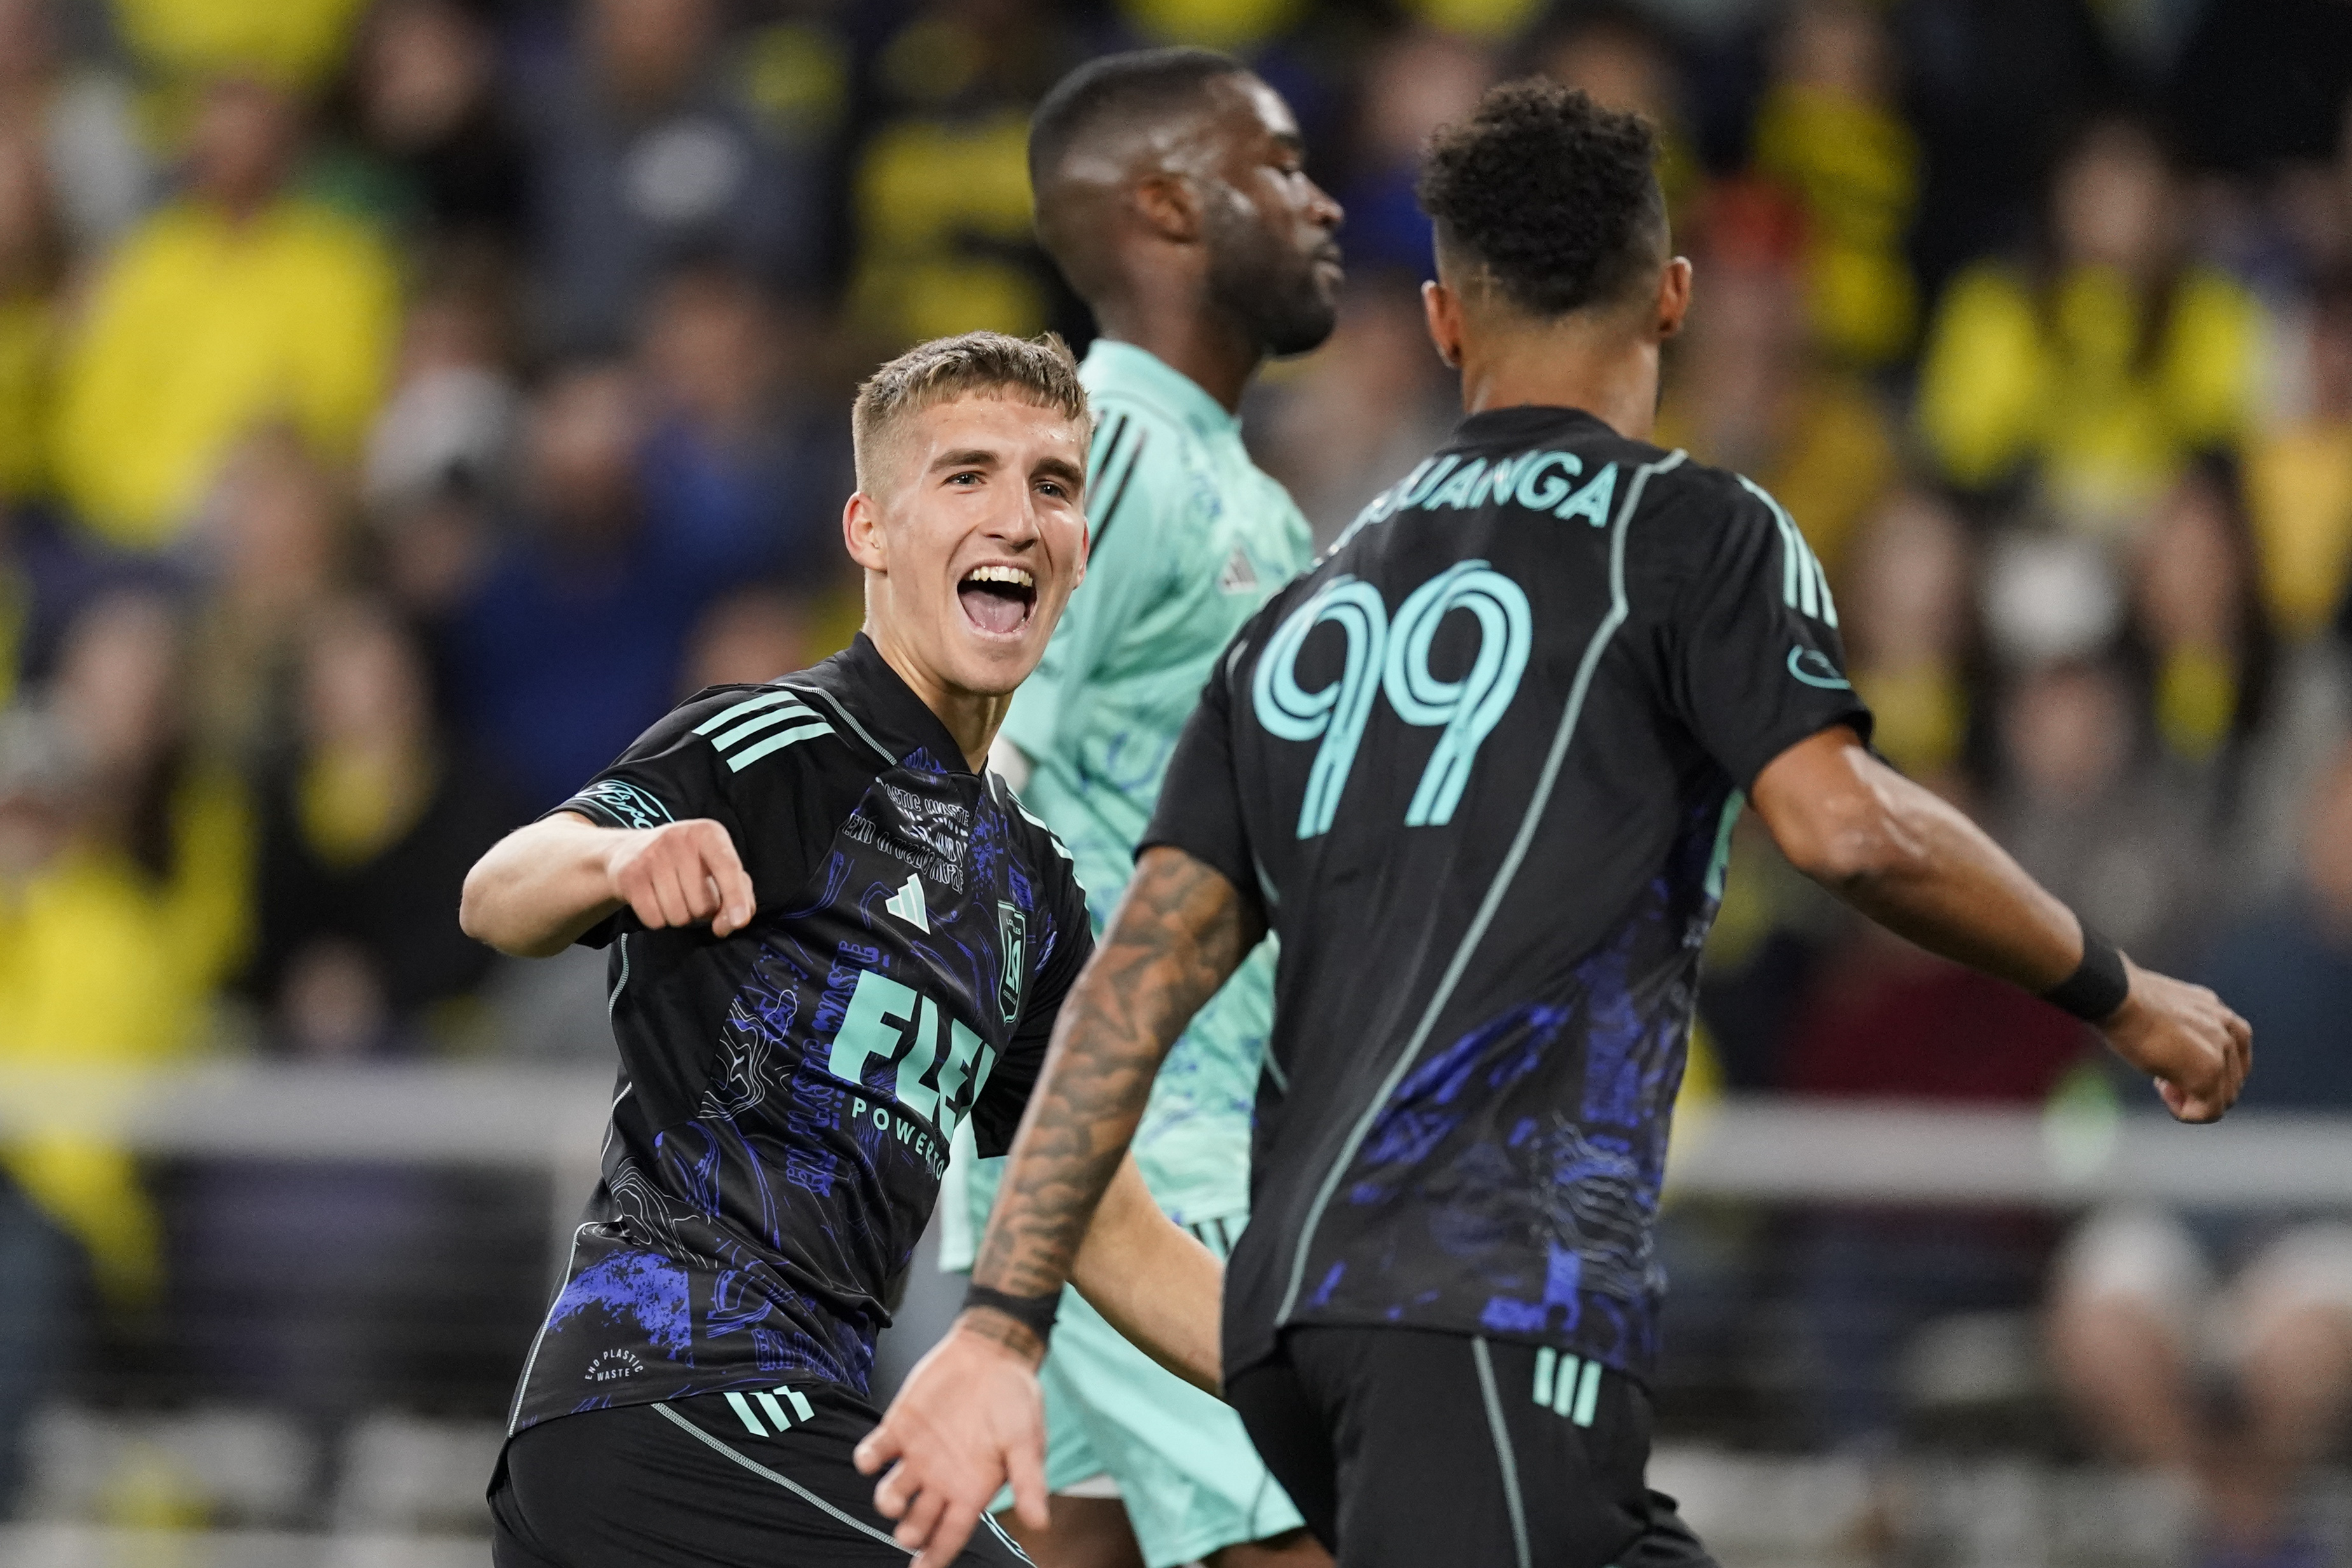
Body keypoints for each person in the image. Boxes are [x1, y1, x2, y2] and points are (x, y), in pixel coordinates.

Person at [857, 82, 2252, 1568]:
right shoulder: (1691, 531)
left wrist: (1001, 1319)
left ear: (1444, 323)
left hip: (1285, 1314)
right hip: (1476, 1302)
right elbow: (1842, 831)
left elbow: (1131, 981)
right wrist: (2118, 989)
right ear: (1671, 298)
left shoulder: (1303, 610)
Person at [459, 331, 1225, 1568]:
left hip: (771, 1433)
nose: (1018, 518)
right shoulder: (783, 747)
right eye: (966, 475)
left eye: (1053, 484)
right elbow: (497, 892)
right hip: (667, 1407)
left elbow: (1098, 1222)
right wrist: (614, 860)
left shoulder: (1031, 892)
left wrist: (1332, 1381)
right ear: (869, 530)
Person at [958, 46, 1341, 1568]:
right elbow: (970, 771)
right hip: (1136, 1156)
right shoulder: (1100, 453)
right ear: (1171, 206)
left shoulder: (1230, 479)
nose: (1321, 203)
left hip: (1163, 1141)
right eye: (1282, 167)